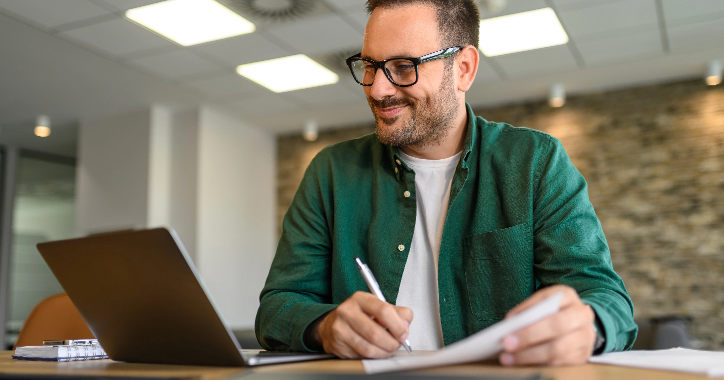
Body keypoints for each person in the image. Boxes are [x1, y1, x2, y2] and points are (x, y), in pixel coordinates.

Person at [255, 0, 637, 366]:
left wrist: (588, 325)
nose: (377, 89)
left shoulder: (535, 161)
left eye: (404, 67)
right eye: (370, 66)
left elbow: (606, 297)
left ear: (464, 69)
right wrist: (325, 326)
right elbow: (277, 307)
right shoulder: (331, 172)